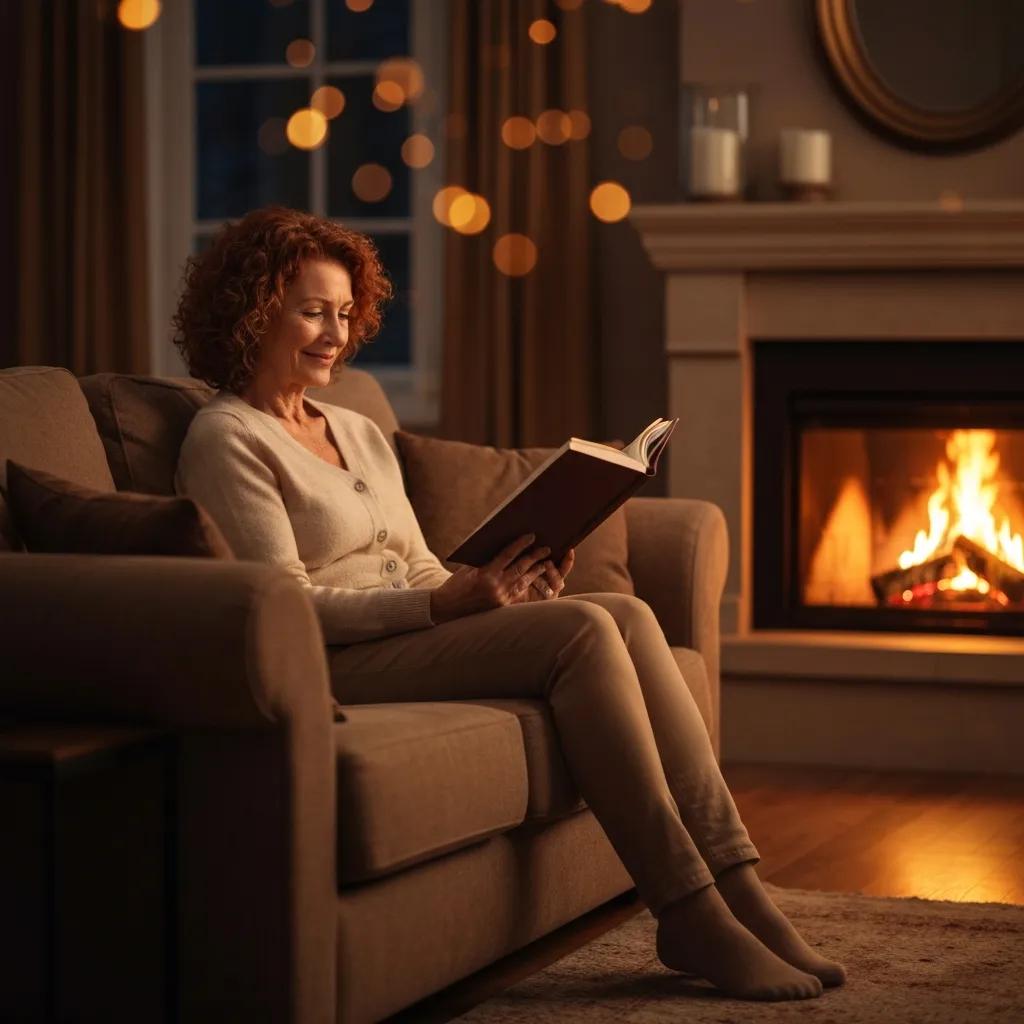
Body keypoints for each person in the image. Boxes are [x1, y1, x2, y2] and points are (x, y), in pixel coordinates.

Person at [173, 206, 845, 1002]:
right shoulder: (226, 439)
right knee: (584, 632)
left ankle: (740, 890)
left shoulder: (354, 428)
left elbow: (418, 564)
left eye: (346, 313)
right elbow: (278, 608)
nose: (334, 332)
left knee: (620, 614)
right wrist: (445, 609)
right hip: (334, 661)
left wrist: (497, 590)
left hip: (412, 630)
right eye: (312, 311)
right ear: (254, 310)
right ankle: (687, 907)